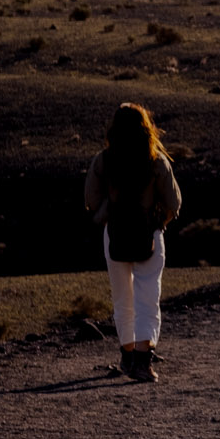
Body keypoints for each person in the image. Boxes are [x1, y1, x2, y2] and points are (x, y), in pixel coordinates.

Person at [83, 103, 182, 382]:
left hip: (114, 233)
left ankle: (127, 356)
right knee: (148, 297)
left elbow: (90, 200)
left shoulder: (103, 160)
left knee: (122, 299)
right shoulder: (156, 161)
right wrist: (158, 221)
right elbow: (174, 202)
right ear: (146, 127)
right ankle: (143, 360)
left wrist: (108, 214)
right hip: (149, 234)